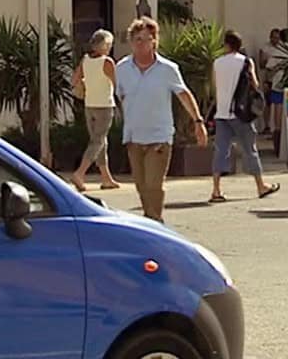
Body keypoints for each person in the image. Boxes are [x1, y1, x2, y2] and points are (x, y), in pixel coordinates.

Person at [114, 17, 208, 223]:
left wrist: (198, 122)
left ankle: (154, 224)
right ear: (131, 42)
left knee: (154, 185)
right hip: (133, 136)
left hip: (159, 136)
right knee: (141, 186)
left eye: (146, 39)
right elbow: (120, 96)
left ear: (154, 41)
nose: (141, 44)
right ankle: (152, 222)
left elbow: (184, 94)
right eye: (137, 39)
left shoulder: (167, 69)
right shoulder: (122, 68)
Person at [209, 30, 281, 202]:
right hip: (240, 113)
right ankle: (260, 185)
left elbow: (215, 86)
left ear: (226, 44)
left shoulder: (217, 63)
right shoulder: (246, 62)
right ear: (239, 46)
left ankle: (216, 190)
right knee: (250, 149)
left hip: (222, 113)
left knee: (221, 150)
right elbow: (254, 84)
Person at [70, 29, 121, 192]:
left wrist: (87, 83)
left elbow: (74, 79)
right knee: (98, 141)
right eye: (109, 44)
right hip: (104, 105)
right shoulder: (107, 62)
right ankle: (80, 173)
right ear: (104, 45)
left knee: (99, 141)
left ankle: (106, 178)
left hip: (89, 105)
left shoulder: (85, 60)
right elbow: (117, 83)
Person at [264, 28, 288, 138]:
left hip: (278, 81)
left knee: (278, 105)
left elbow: (269, 68)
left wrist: (267, 81)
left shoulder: (277, 51)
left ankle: (278, 131)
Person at [258, 28, 283, 134]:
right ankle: (267, 125)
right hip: (268, 77)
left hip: (278, 79)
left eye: (277, 38)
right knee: (267, 102)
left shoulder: (282, 49)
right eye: (274, 37)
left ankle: (277, 127)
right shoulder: (265, 48)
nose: (275, 40)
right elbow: (262, 64)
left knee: (278, 103)